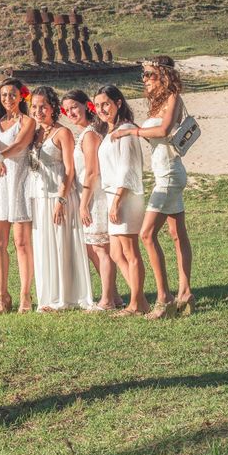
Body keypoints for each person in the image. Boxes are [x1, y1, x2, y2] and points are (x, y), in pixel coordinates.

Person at [112, 56, 194, 318]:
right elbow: (157, 134)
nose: (145, 79)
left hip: (170, 174)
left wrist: (130, 133)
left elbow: (164, 130)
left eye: (150, 74)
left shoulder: (173, 98)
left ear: (164, 75)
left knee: (147, 235)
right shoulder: (157, 102)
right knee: (177, 233)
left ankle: (164, 298)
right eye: (144, 75)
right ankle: (186, 292)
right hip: (164, 173)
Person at [29, 86, 93, 312]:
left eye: (43, 106)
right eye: (34, 107)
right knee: (44, 245)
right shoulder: (35, 133)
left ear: (53, 107)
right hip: (39, 197)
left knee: (60, 244)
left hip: (59, 196)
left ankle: (66, 296)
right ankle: (48, 295)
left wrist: (61, 199)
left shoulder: (62, 133)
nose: (38, 111)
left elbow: (69, 169)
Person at [62, 90, 124, 311]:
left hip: (94, 196)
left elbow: (91, 172)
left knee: (100, 249)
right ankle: (114, 296)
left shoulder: (89, 134)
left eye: (74, 108)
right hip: (88, 195)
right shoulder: (86, 133)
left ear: (86, 106)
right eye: (66, 110)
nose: (70, 113)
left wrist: (83, 203)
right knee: (92, 248)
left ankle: (107, 299)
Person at [94, 85, 150, 317]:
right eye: (97, 105)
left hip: (124, 196)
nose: (101, 109)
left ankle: (136, 304)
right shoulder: (110, 131)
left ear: (118, 103)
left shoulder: (125, 130)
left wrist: (117, 201)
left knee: (130, 251)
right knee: (117, 253)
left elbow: (127, 169)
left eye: (105, 104)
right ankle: (141, 300)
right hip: (113, 196)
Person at [0, 78, 36, 314]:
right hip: (0, 184)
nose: (8, 99)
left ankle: (26, 295)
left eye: (12, 94)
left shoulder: (28, 121)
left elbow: (19, 145)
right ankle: (2, 295)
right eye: (4, 95)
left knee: (22, 243)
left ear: (21, 96)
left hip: (19, 182)